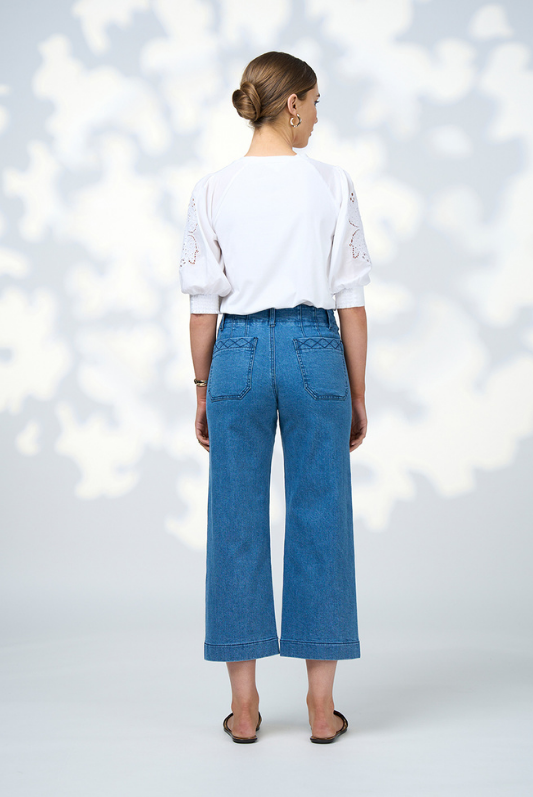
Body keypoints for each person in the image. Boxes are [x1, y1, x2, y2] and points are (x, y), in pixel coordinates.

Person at [179, 51, 371, 744]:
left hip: (236, 352)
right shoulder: (331, 183)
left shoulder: (212, 189)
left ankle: (245, 709)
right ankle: (321, 709)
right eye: (314, 102)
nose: (317, 116)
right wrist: (357, 392)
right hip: (316, 348)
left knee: (234, 520)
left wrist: (203, 388)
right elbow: (350, 300)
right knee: (322, 516)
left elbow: (202, 307)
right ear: (291, 103)